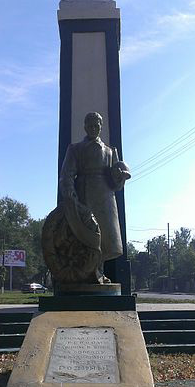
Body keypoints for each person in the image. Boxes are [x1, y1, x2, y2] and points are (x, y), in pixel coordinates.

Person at [59, 112, 131, 283]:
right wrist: (69, 193)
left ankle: (99, 271)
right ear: (85, 127)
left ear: (101, 126)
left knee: (106, 237)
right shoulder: (75, 149)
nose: (93, 128)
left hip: (106, 197)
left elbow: (117, 183)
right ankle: (87, 274)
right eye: (89, 125)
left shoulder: (110, 151)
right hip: (85, 194)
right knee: (87, 235)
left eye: (96, 125)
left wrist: (120, 178)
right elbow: (67, 174)